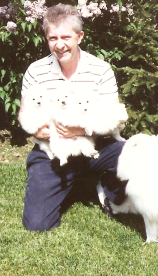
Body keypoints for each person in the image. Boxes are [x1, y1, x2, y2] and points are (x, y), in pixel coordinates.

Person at [18, 3, 126, 231]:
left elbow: (116, 118)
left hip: (97, 146)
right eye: (52, 38)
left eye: (66, 37)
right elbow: (25, 114)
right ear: (46, 38)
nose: (59, 45)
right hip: (54, 151)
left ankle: (107, 187)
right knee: (37, 224)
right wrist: (37, 130)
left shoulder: (101, 70)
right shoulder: (35, 72)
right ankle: (71, 184)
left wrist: (82, 130)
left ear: (80, 37)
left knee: (134, 155)